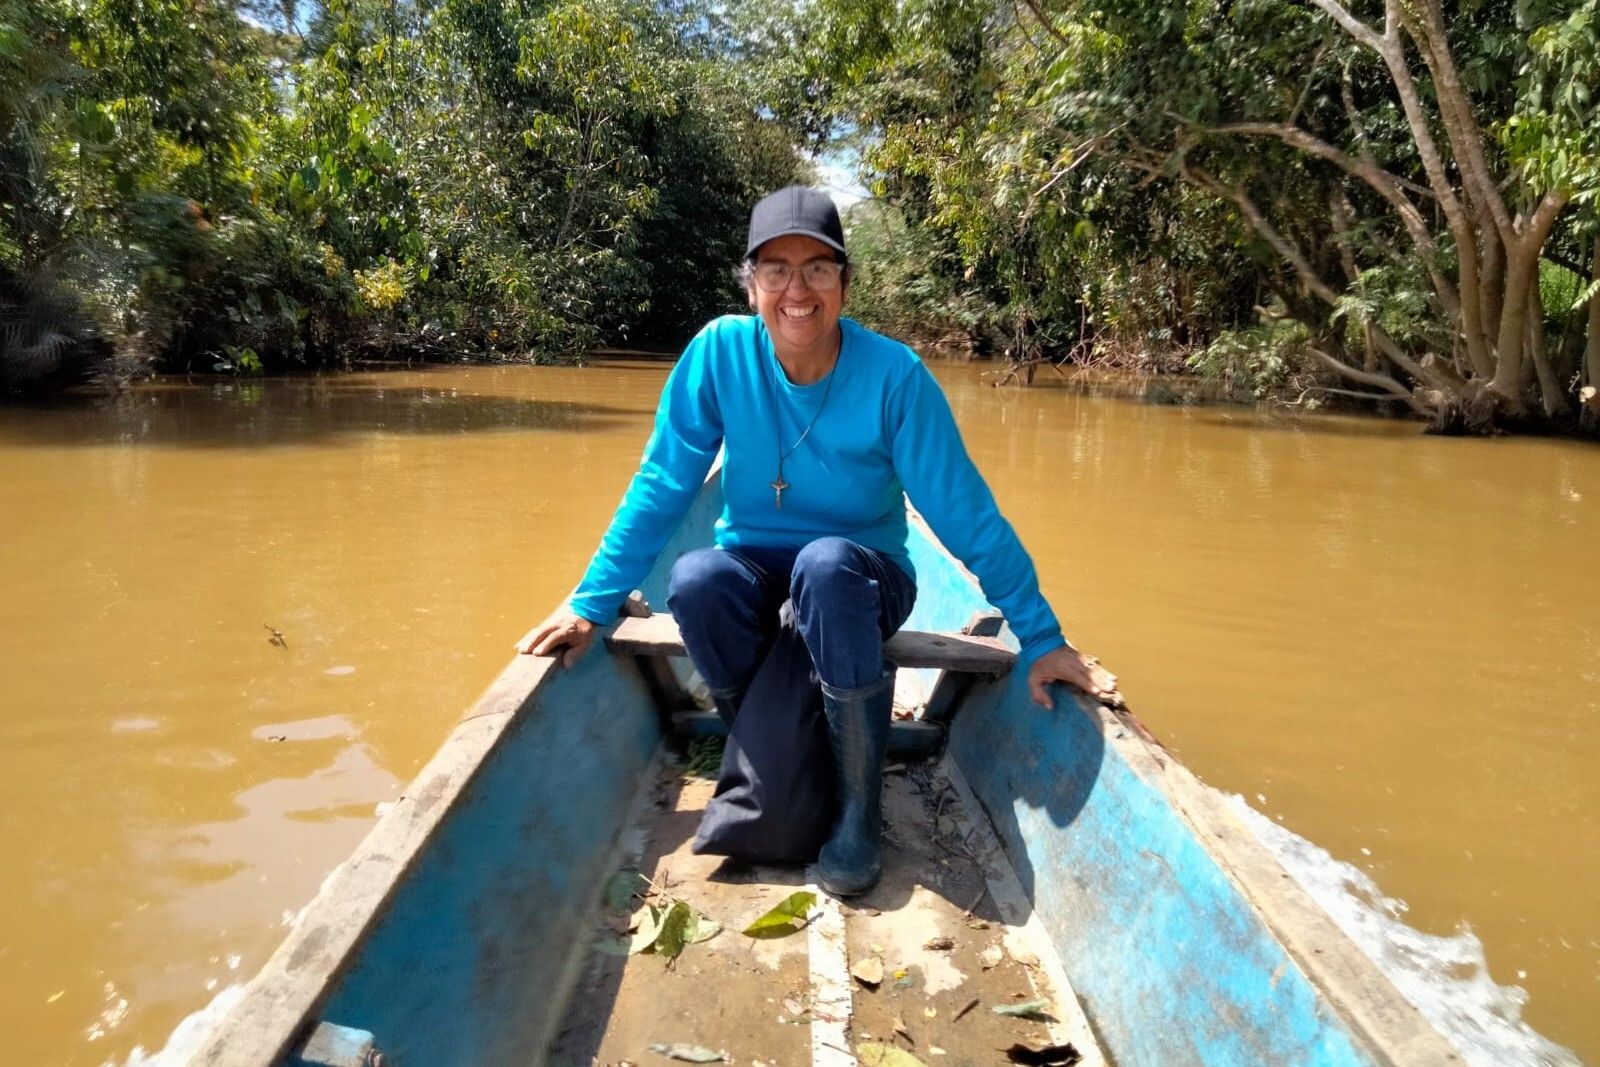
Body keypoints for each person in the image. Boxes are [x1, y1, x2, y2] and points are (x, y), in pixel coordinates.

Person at [517, 186, 1117, 895]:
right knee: (697, 579)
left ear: (844, 283)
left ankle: (858, 811)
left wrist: (1041, 636)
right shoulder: (718, 354)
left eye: (817, 269)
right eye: (775, 269)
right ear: (751, 285)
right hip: (756, 562)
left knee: (826, 564)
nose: (796, 289)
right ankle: (773, 757)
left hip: (863, 577)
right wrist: (592, 600)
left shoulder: (895, 376)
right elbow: (661, 485)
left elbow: (965, 513)